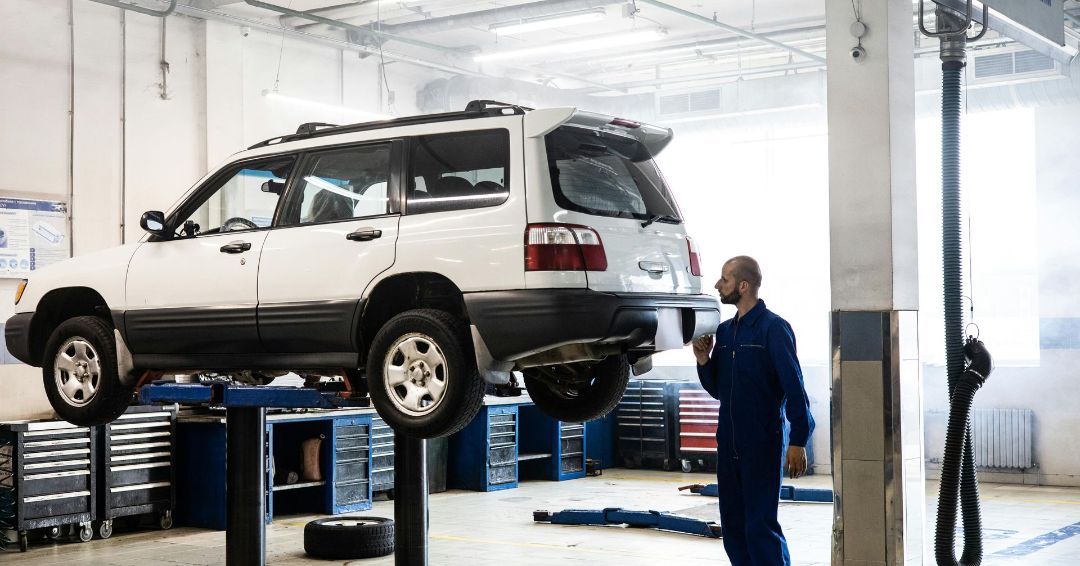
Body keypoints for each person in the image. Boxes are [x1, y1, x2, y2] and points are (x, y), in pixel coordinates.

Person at [692, 255, 814, 566]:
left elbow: (794, 387)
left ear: (743, 286)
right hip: (730, 442)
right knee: (733, 526)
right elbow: (719, 390)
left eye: (725, 279)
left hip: (761, 443)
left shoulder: (773, 329)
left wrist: (799, 439)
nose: (718, 285)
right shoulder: (726, 332)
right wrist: (704, 360)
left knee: (759, 526)